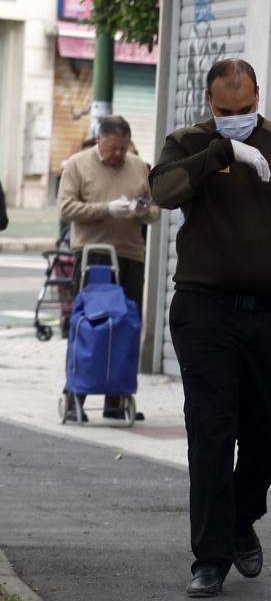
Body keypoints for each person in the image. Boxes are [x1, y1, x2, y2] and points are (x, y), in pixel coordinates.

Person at [149, 59, 271, 598]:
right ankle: (210, 557)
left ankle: (240, 517)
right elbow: (163, 192)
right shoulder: (186, 141)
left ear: (258, 96)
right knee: (212, 431)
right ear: (208, 102)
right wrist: (219, 151)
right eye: (224, 112)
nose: (236, 118)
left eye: (244, 111)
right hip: (204, 308)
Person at [58, 115, 160, 421]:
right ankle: (76, 393)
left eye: (123, 148)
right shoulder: (77, 165)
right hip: (92, 256)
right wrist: (106, 209)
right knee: (89, 325)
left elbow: (155, 210)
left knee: (126, 326)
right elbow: (66, 208)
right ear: (100, 141)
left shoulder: (138, 166)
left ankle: (117, 398)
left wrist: (142, 211)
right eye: (113, 148)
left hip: (131, 253)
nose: (119, 155)